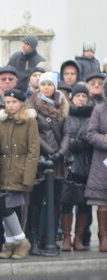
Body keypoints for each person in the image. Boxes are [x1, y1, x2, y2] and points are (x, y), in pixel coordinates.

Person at [26, 72, 69, 254]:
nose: (46, 87)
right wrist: (51, 152)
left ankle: (49, 238)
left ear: (55, 86)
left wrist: (60, 153)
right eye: (43, 84)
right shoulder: (32, 106)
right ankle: (33, 239)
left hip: (58, 162)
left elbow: (67, 132)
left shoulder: (63, 106)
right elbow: (34, 133)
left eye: (49, 84)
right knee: (36, 202)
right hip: (40, 160)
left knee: (54, 202)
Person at [0, 90, 39, 259]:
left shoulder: (29, 120)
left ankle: (21, 241)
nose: (10, 105)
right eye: (7, 102)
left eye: (14, 101)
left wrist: (27, 176)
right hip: (4, 169)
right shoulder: (2, 120)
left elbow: (33, 150)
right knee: (5, 206)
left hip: (19, 170)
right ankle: (12, 243)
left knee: (9, 207)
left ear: (21, 102)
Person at [61, 83, 93, 251]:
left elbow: (94, 133)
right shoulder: (65, 114)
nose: (81, 99)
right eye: (78, 96)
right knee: (66, 201)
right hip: (69, 163)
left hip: (87, 163)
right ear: (72, 97)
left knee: (84, 203)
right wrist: (70, 144)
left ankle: (79, 238)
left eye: (84, 96)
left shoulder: (92, 115)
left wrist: (84, 142)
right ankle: (67, 237)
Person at [85, 80, 107, 251]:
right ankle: (103, 237)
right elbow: (91, 134)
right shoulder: (99, 109)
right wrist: (104, 139)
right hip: (103, 161)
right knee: (102, 202)